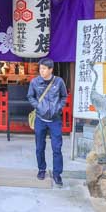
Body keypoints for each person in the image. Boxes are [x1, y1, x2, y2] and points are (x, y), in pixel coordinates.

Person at [26, 58, 68, 187]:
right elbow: (30, 96)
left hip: (55, 120)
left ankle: (57, 174)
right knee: (39, 147)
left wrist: (58, 108)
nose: (41, 71)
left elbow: (64, 97)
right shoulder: (35, 82)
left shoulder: (59, 82)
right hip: (40, 119)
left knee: (57, 148)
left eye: (44, 69)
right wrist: (38, 106)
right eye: (40, 69)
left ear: (51, 69)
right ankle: (42, 169)